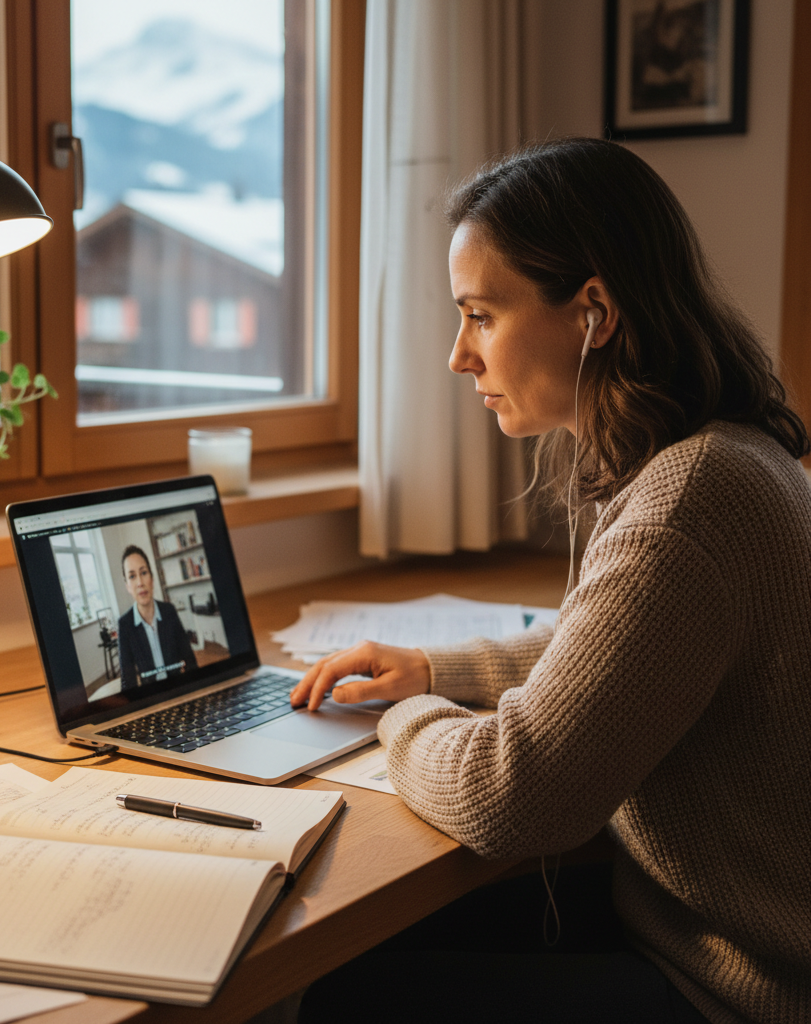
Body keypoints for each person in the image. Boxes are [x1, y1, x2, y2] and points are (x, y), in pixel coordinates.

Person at [290, 138, 811, 1023]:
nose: (459, 356)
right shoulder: (711, 457)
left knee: (340, 992)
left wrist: (400, 718)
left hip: (738, 983)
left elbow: (514, 798)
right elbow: (605, 644)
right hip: (690, 929)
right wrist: (432, 669)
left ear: (593, 312)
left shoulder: (689, 503)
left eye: (481, 315)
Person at [117, 545, 197, 689]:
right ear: (127, 586)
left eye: (144, 573)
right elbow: (128, 682)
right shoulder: (125, 624)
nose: (140, 583)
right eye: (132, 576)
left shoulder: (169, 612)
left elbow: (190, 661)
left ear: (152, 578)